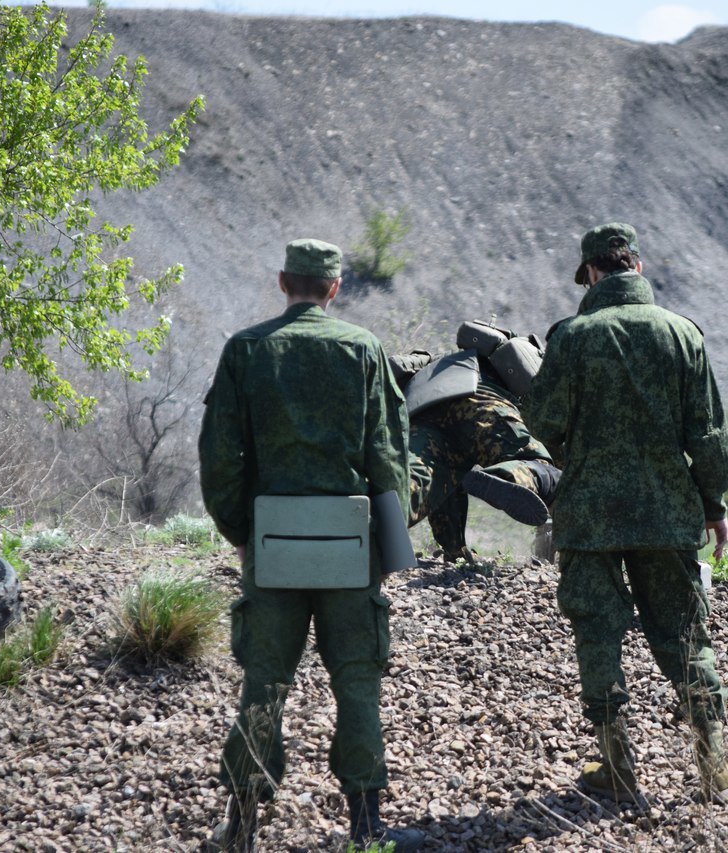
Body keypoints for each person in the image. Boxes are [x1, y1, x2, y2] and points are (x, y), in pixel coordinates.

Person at [198, 238, 425, 851]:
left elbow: (221, 461)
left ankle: (242, 828)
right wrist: (391, 541)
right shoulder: (366, 350)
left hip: (272, 544)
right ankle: (367, 829)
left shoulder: (246, 350)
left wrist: (240, 534)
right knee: (357, 680)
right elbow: (388, 456)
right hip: (351, 548)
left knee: (265, 680)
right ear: (334, 287)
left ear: (282, 282)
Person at [522, 223, 728, 805]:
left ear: (592, 274)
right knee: (684, 632)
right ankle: (714, 764)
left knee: (597, 632)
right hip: (667, 514)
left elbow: (541, 426)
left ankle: (617, 763)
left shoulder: (570, 337)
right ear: (638, 268)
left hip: (589, 517)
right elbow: (710, 437)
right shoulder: (682, 335)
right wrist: (713, 505)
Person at [389, 331, 561, 563]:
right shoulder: (516, 366)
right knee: (540, 466)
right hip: (479, 400)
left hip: (425, 410)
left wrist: (454, 548)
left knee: (426, 480)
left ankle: (370, 521)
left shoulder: (440, 361)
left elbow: (446, 494)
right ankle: (507, 477)